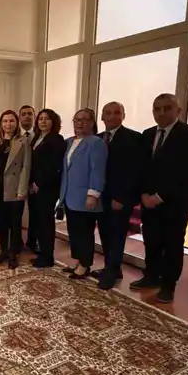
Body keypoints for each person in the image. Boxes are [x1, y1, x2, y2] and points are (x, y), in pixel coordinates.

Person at [130, 93, 188, 304]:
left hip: (177, 201)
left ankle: (168, 285)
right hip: (148, 200)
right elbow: (142, 167)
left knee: (173, 243)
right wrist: (144, 194)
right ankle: (151, 276)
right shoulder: (147, 134)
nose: (161, 113)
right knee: (151, 240)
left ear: (178, 110)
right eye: (157, 109)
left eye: (167, 108)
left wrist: (159, 196)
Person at [93, 102, 143, 290]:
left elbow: (134, 171)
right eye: (108, 113)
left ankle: (111, 271)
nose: (112, 116)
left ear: (123, 115)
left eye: (117, 113)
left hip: (119, 198)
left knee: (117, 235)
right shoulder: (97, 139)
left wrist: (122, 198)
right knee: (105, 233)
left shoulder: (134, 138)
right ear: (102, 117)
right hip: (101, 197)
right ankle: (113, 268)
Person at [59, 108, 107, 280]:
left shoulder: (96, 143)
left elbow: (97, 170)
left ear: (92, 122)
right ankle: (79, 262)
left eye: (84, 120)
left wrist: (93, 194)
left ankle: (85, 264)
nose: (80, 123)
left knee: (84, 233)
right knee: (74, 232)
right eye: (77, 120)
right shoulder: (69, 142)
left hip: (85, 197)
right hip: (69, 195)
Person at [0, 110, 31, 269]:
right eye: (5, 121)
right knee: (2, 223)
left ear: (16, 123)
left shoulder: (23, 141)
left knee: (15, 224)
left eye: (11, 121)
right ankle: (4, 250)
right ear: (1, 123)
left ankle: (14, 254)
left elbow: (26, 167)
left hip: (15, 189)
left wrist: (22, 190)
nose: (8, 124)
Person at [28, 109, 66, 268]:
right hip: (33, 186)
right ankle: (41, 252)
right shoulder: (36, 138)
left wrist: (39, 183)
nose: (43, 122)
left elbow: (54, 166)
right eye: (40, 119)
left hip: (47, 188)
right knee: (38, 221)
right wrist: (31, 183)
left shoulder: (57, 140)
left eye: (47, 119)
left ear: (53, 122)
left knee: (46, 222)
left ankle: (47, 256)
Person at [18, 105, 38, 252]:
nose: (26, 116)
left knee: (35, 213)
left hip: (35, 181)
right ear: (19, 117)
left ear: (34, 117)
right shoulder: (14, 134)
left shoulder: (40, 135)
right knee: (16, 214)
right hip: (17, 180)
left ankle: (32, 241)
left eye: (29, 114)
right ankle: (16, 241)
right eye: (23, 114)